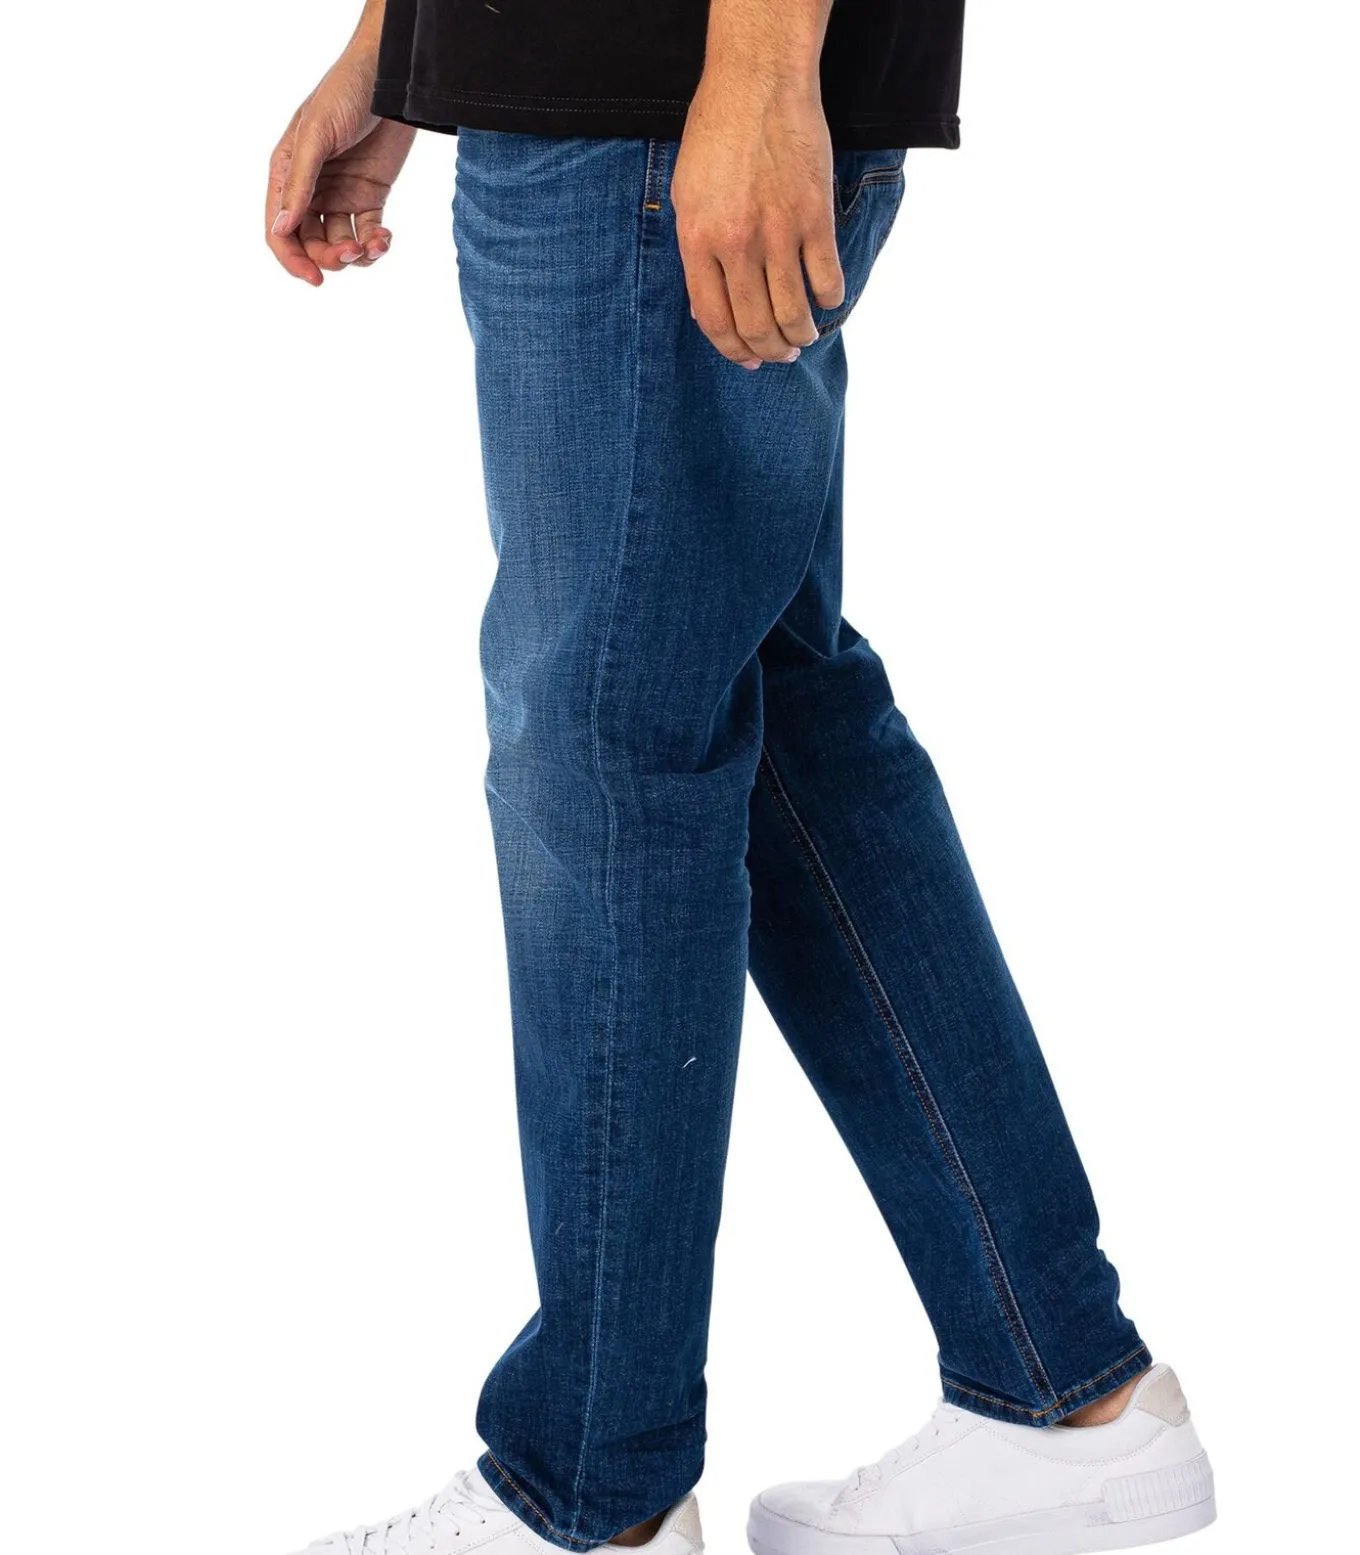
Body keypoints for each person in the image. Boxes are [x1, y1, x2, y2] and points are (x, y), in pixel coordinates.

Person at [265, 4, 1215, 1554]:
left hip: (652, 85)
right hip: (614, 83)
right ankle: (1062, 1395)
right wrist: (399, 45)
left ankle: (593, 1492)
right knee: (766, 713)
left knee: (608, 746)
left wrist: (763, 64)